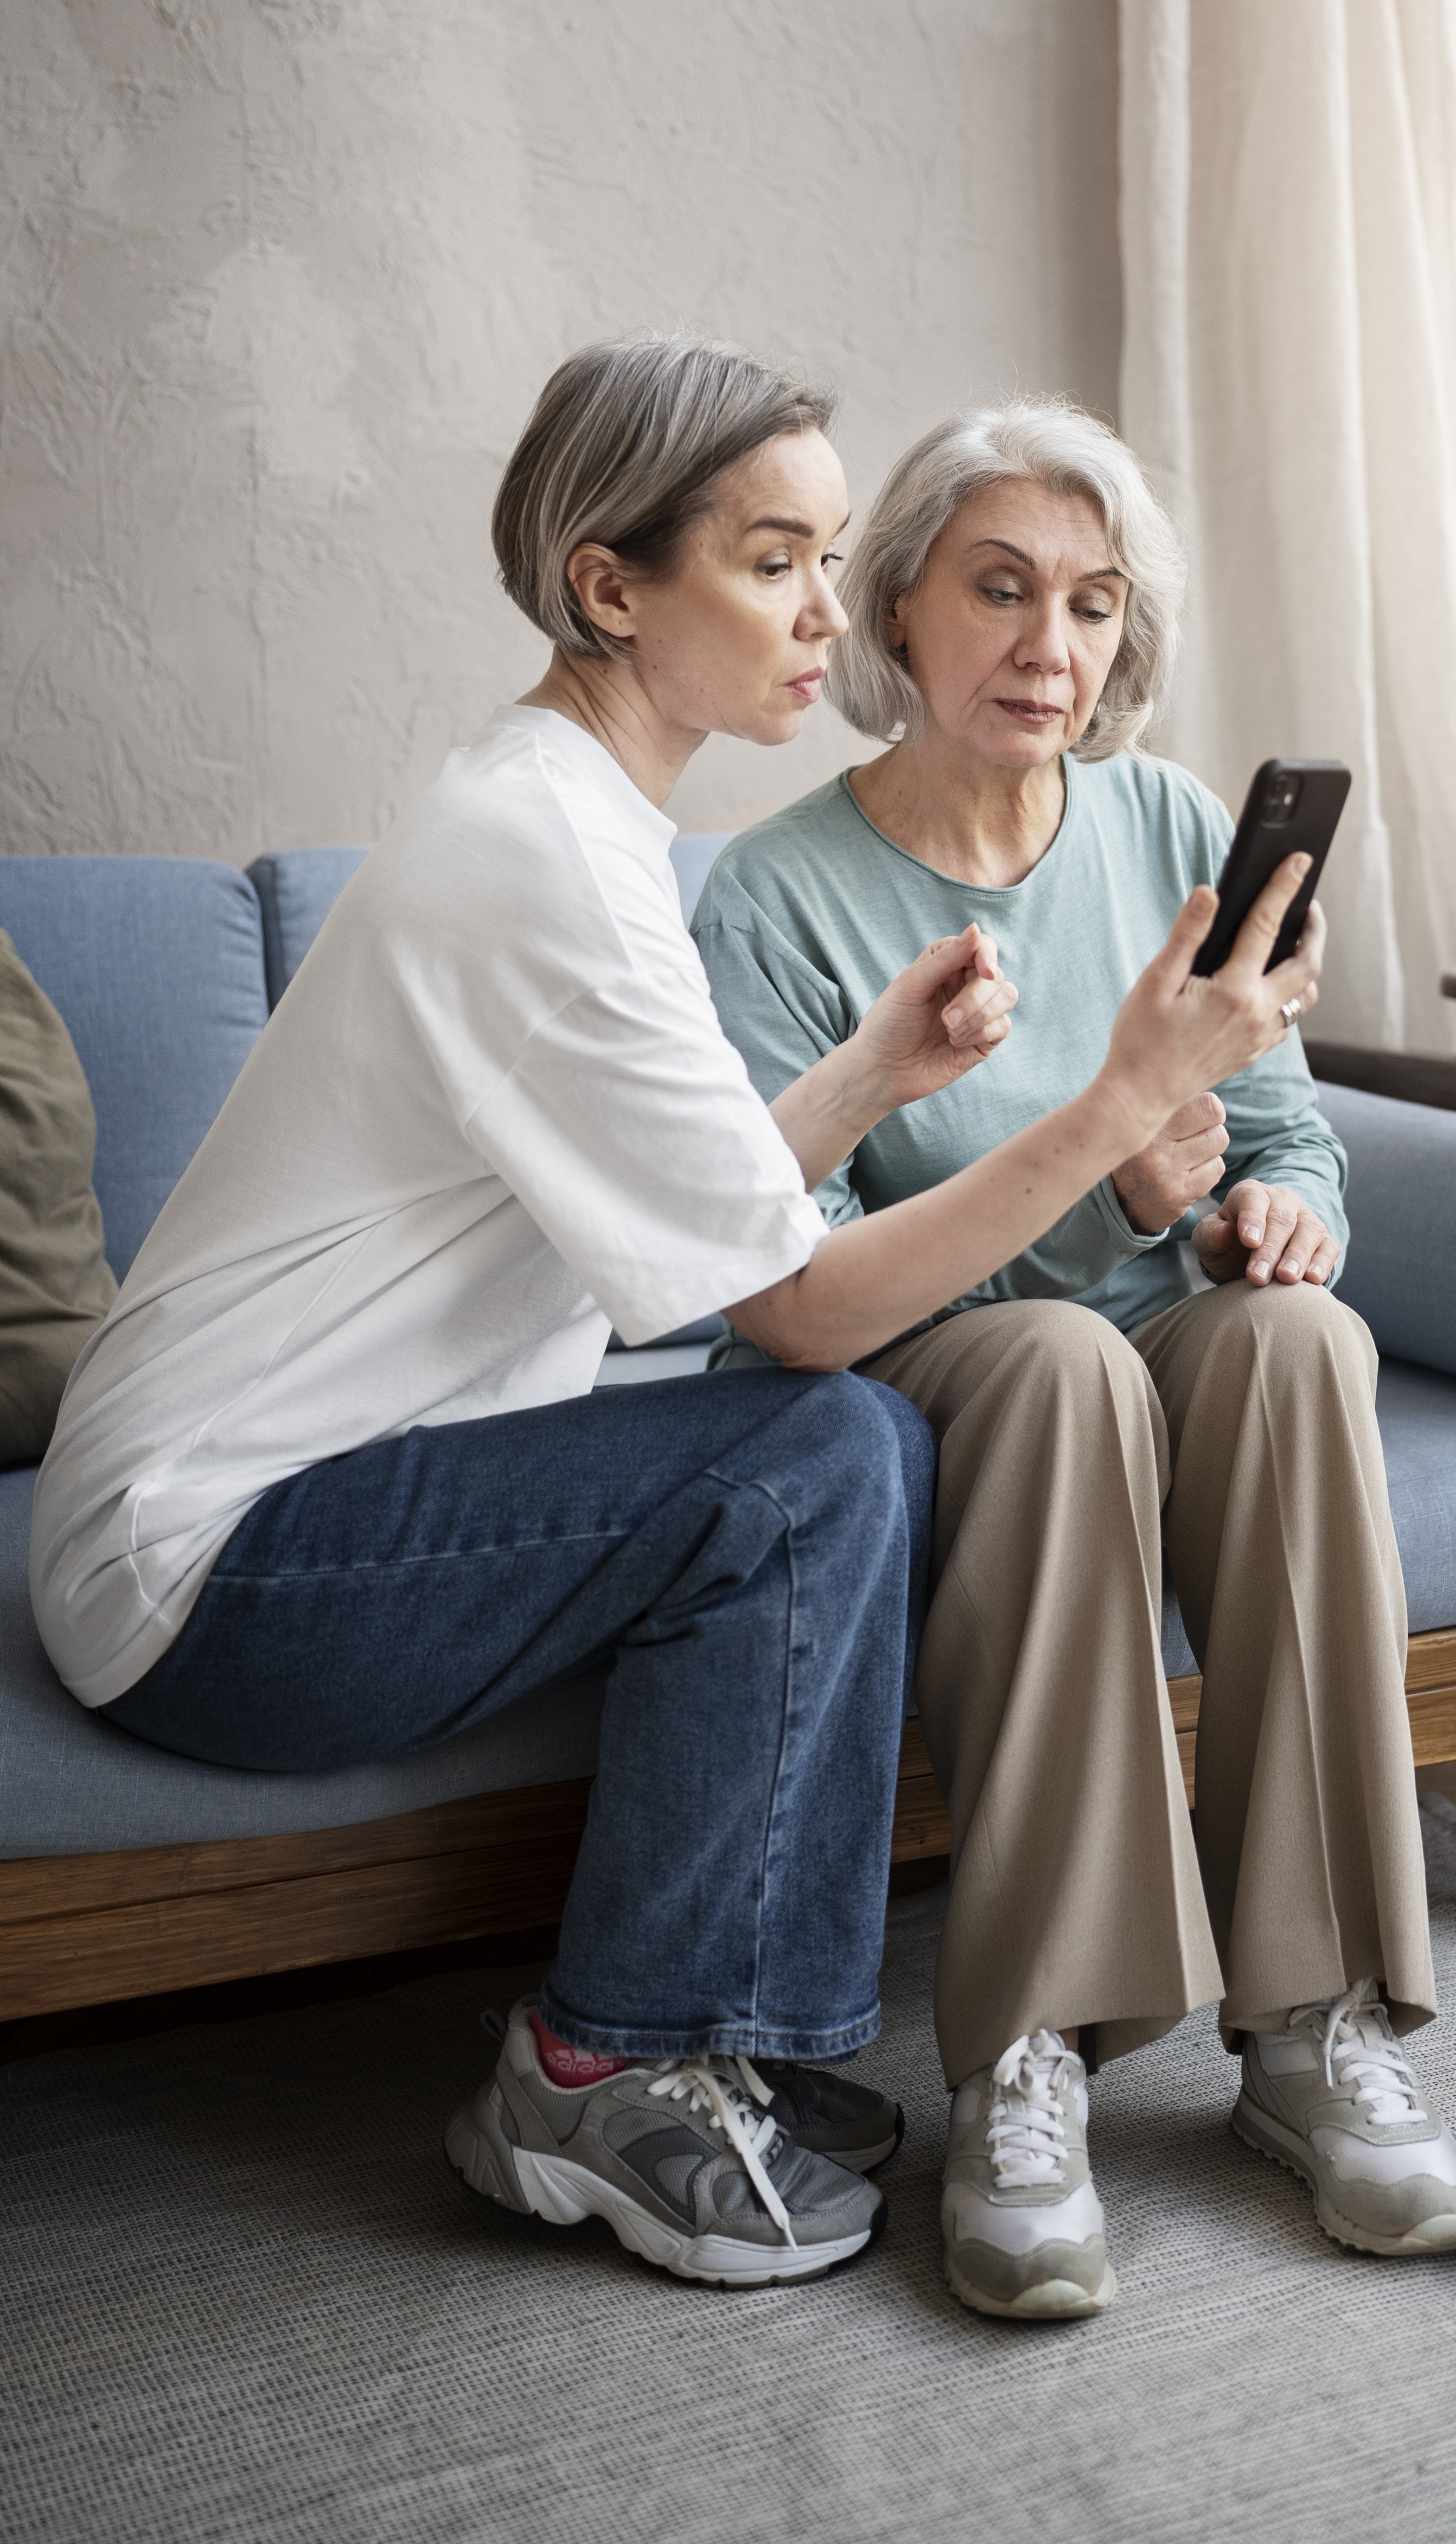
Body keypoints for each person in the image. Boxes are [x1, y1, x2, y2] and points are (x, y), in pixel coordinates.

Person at [32, 345, 1320, 2300]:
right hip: (219, 1562)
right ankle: (600, 2057)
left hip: (305, 1501)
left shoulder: (567, 818)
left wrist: (870, 1080)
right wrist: (1111, 1099)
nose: (827, 609)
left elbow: (709, 1221)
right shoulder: (546, 861)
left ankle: (733, 2044)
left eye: (825, 558)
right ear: (611, 586)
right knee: (822, 1450)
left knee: (840, 1444)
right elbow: (796, 1313)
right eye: (777, 559)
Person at [693, 393, 1453, 2320]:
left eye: (1093, 605)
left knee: (1291, 1342)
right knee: (1054, 1360)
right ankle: (1023, 2053)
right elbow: (810, 1269)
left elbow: (1278, 1130)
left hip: (1150, 1320)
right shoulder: (779, 893)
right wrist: (1118, 1192)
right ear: (900, 610)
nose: (1051, 646)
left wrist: (1263, 1217)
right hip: (930, 1372)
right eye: (1003, 590)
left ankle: (1313, 2018)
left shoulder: (1176, 823)